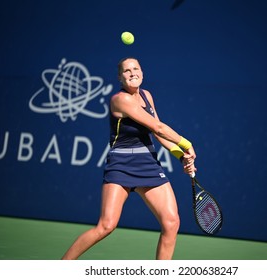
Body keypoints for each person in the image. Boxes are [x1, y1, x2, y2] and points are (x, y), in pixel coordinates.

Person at [62, 57, 196, 260]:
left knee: (171, 222)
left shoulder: (147, 96)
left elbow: (158, 134)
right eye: (127, 70)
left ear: (142, 73)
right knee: (106, 226)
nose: (132, 73)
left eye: (136, 69)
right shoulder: (119, 99)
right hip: (121, 166)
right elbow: (158, 128)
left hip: (148, 164)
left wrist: (180, 156)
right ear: (119, 77)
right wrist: (187, 144)